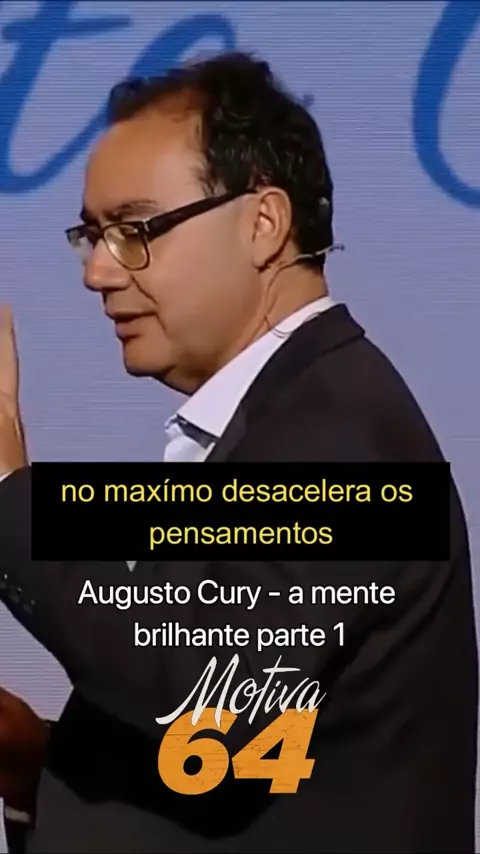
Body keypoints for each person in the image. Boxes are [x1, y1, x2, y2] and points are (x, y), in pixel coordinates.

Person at [0, 51, 477, 853]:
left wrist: (9, 487)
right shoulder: (287, 421)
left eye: (134, 230)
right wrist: (37, 766)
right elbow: (240, 761)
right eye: (92, 235)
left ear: (263, 224)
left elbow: (203, 689)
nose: (97, 272)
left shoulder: (343, 438)